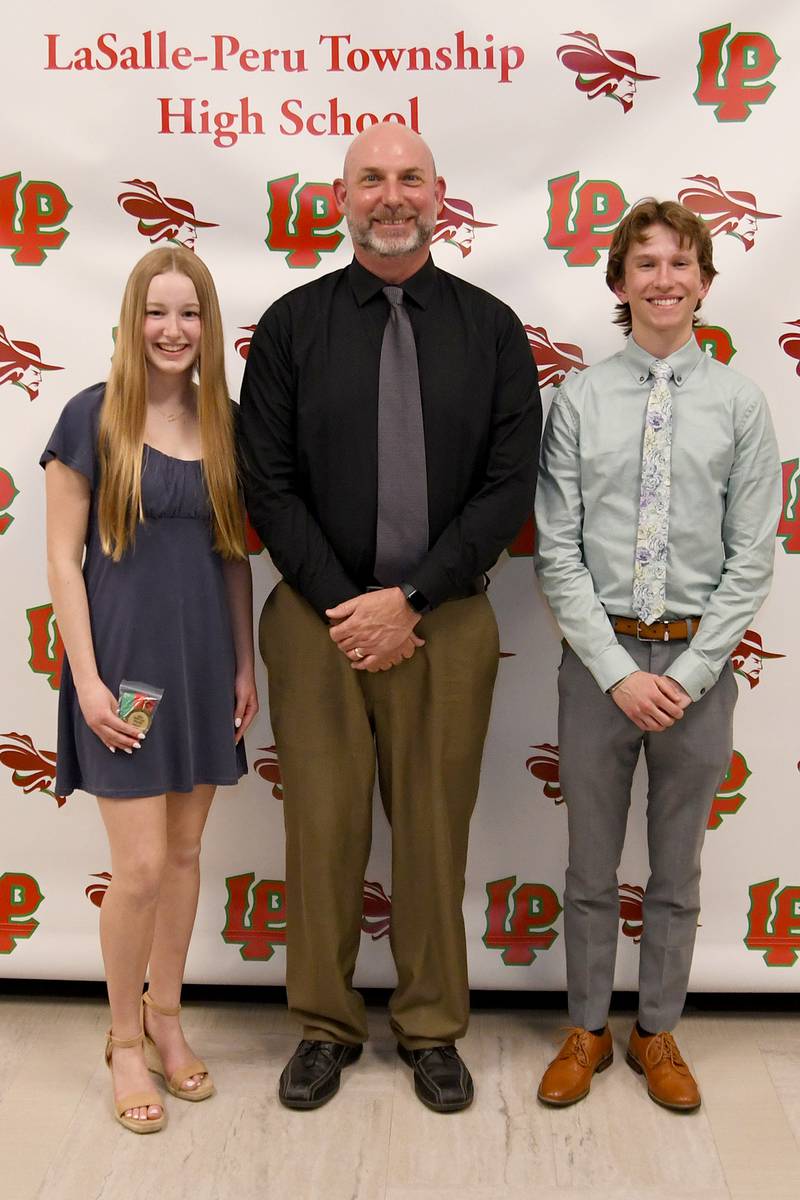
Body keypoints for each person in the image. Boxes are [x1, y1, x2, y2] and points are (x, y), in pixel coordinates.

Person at [239, 123, 541, 1113]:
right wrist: (349, 604)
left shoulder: (491, 329)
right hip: (315, 616)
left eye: (408, 177)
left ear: (439, 194)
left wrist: (409, 602)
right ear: (340, 197)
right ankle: (325, 1028)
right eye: (370, 179)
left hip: (443, 618)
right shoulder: (289, 326)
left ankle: (428, 1027)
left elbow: (506, 487)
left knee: (430, 831)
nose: (390, 195)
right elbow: (267, 484)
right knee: (321, 831)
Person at [534, 198, 780, 1111]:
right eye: (646, 264)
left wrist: (684, 675)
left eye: (682, 263)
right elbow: (557, 549)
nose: (664, 279)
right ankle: (588, 1029)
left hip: (697, 674)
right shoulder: (579, 402)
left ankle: (658, 1031)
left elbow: (751, 555)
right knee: (590, 866)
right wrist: (616, 671)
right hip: (599, 670)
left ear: (706, 284)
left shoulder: (742, 405)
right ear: (619, 282)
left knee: (676, 871)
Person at [41, 246, 258, 1133]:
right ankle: (124, 1039)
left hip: (205, 665)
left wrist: (245, 663)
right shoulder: (90, 417)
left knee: (180, 856)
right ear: (133, 322)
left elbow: (235, 556)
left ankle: (168, 1019)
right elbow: (61, 556)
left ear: (208, 326)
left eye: (191, 314)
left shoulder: (226, 422)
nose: (173, 331)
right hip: (126, 672)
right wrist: (87, 681)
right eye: (157, 313)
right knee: (134, 869)